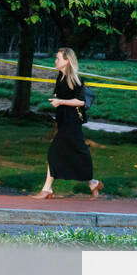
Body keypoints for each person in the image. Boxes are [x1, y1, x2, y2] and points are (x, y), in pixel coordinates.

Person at [32, 47, 103, 200]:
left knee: (55, 152)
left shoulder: (76, 80)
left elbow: (81, 101)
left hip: (72, 122)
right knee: (76, 152)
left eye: (58, 58)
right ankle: (93, 182)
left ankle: (47, 189)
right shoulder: (60, 77)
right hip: (64, 120)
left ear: (67, 61)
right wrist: (57, 100)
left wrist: (60, 101)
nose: (55, 61)